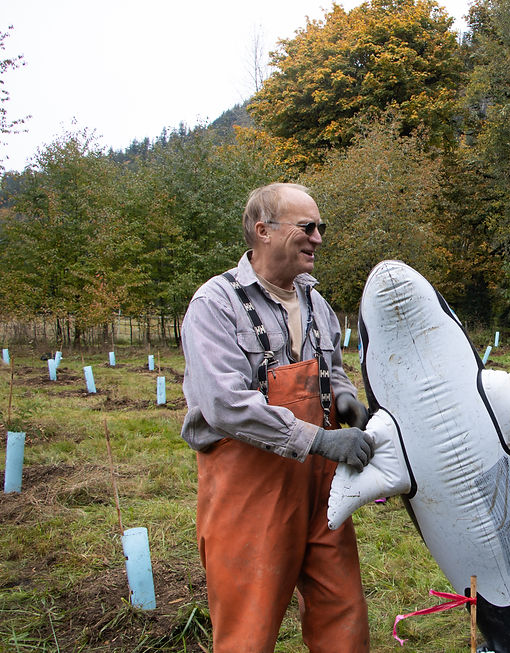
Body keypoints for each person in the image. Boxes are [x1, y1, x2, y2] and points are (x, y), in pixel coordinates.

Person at [180, 183, 375, 653]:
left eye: (320, 228)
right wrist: (319, 439)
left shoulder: (315, 302)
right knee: (248, 630)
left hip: (322, 490)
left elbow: (332, 371)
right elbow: (224, 404)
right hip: (249, 490)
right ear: (263, 231)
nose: (318, 238)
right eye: (307, 227)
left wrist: (345, 399)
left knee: (343, 617)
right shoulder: (215, 304)